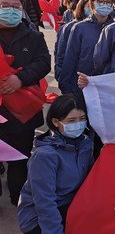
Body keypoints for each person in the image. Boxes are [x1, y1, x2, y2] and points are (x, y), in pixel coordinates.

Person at [0, 0, 50, 206]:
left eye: (15, 7)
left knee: (20, 158)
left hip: (24, 110)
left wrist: (20, 79)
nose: (11, 11)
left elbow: (43, 63)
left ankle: (17, 198)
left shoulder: (34, 36)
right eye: (5, 6)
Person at [17, 94, 94, 234]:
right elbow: (44, 202)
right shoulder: (45, 156)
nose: (78, 124)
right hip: (41, 216)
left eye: (82, 119)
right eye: (71, 120)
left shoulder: (85, 144)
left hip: (72, 205)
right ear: (56, 122)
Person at [59, 0, 114, 93]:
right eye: (100, 1)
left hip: (106, 88)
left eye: (108, 2)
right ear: (92, 3)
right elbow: (70, 60)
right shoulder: (80, 28)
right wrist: (66, 87)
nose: (105, 5)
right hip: (81, 87)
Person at [54, 0, 90, 81]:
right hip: (73, 80)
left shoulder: (106, 28)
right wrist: (61, 77)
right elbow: (60, 55)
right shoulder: (69, 28)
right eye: (89, 6)